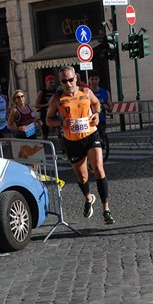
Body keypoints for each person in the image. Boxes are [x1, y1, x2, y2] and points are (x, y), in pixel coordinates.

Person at [46, 66, 115, 224]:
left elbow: (96, 105)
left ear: (75, 78)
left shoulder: (86, 92)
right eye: (64, 81)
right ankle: (89, 198)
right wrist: (62, 122)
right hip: (72, 142)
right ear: (60, 82)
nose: (68, 84)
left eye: (70, 80)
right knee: (82, 176)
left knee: (98, 168)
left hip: (91, 135)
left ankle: (106, 209)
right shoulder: (57, 99)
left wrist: (96, 115)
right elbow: (48, 120)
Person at [35, 75, 67, 159]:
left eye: (53, 82)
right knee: (45, 136)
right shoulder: (42, 92)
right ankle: (42, 153)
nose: (52, 84)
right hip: (45, 115)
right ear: (46, 83)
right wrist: (47, 105)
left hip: (54, 115)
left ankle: (64, 152)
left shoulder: (56, 91)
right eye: (50, 82)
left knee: (59, 134)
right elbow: (36, 105)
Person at [87, 70, 113, 146]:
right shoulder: (86, 92)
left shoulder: (105, 92)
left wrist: (107, 107)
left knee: (100, 139)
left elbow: (111, 108)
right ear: (89, 80)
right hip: (89, 120)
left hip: (101, 119)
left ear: (99, 80)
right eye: (92, 79)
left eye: (96, 79)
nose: (94, 81)